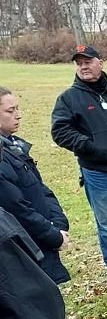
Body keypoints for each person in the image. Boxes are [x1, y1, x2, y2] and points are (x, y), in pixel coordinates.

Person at [50, 44, 107, 283]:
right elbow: (60, 131)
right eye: (79, 63)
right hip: (97, 171)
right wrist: (93, 149)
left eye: (88, 61)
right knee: (106, 221)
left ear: (100, 62)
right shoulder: (69, 99)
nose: (83, 66)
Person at [0, 88, 70, 285]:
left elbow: (40, 189)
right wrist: (52, 235)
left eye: (17, 108)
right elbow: (17, 207)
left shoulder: (15, 148)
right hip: (25, 251)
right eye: (10, 110)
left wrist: (59, 224)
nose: (18, 115)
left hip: (41, 245)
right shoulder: (2, 159)